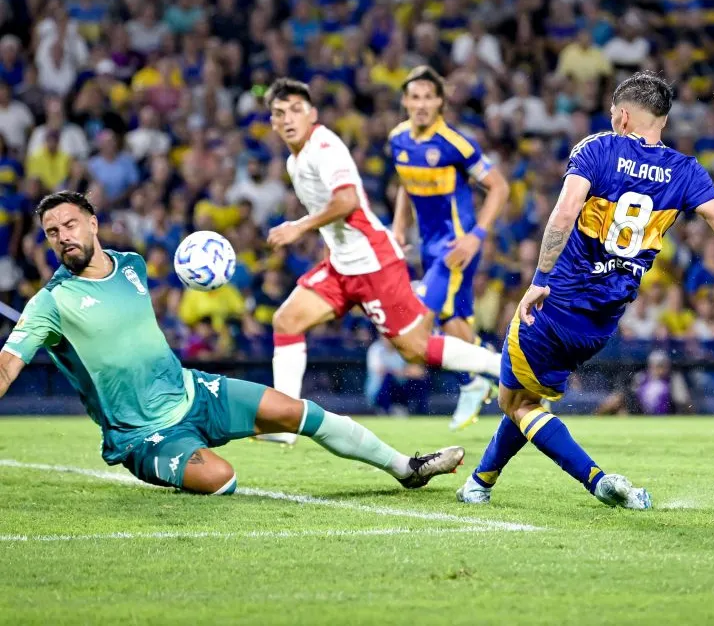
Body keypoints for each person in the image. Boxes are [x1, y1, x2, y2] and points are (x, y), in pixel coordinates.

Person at [456, 71, 714, 508]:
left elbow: (563, 214)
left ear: (623, 116)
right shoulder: (685, 171)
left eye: (614, 114)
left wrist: (538, 280)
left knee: (514, 404)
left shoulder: (598, 149)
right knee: (527, 400)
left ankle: (598, 480)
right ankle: (480, 483)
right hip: (603, 321)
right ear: (663, 121)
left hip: (559, 301)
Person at [0, 191, 464, 494]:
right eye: (53, 232)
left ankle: (408, 468)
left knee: (303, 413)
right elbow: (7, 366)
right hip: (142, 435)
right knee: (222, 479)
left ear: (93, 223)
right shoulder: (50, 303)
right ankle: (196, 448)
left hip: (194, 391)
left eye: (70, 225)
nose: (63, 237)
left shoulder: (132, 265)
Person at [262, 78, 503, 444]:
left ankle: (502, 368)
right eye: (280, 113)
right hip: (343, 266)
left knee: (417, 348)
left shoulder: (324, 147)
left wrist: (298, 227)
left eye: (297, 110)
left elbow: (347, 201)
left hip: (375, 264)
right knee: (287, 320)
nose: (289, 119)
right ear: (273, 123)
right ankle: (284, 422)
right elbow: (351, 209)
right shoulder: (296, 162)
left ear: (312, 113)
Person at [389, 65, 511, 430]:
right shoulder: (398, 139)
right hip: (428, 248)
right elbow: (404, 184)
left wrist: (477, 235)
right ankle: (512, 383)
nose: (422, 104)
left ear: (440, 101)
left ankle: (476, 381)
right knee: (454, 322)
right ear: (405, 102)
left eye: (429, 96)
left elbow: (500, 187)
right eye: (415, 97)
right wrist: (398, 226)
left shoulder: (455, 143)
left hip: (456, 246)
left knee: (419, 327)